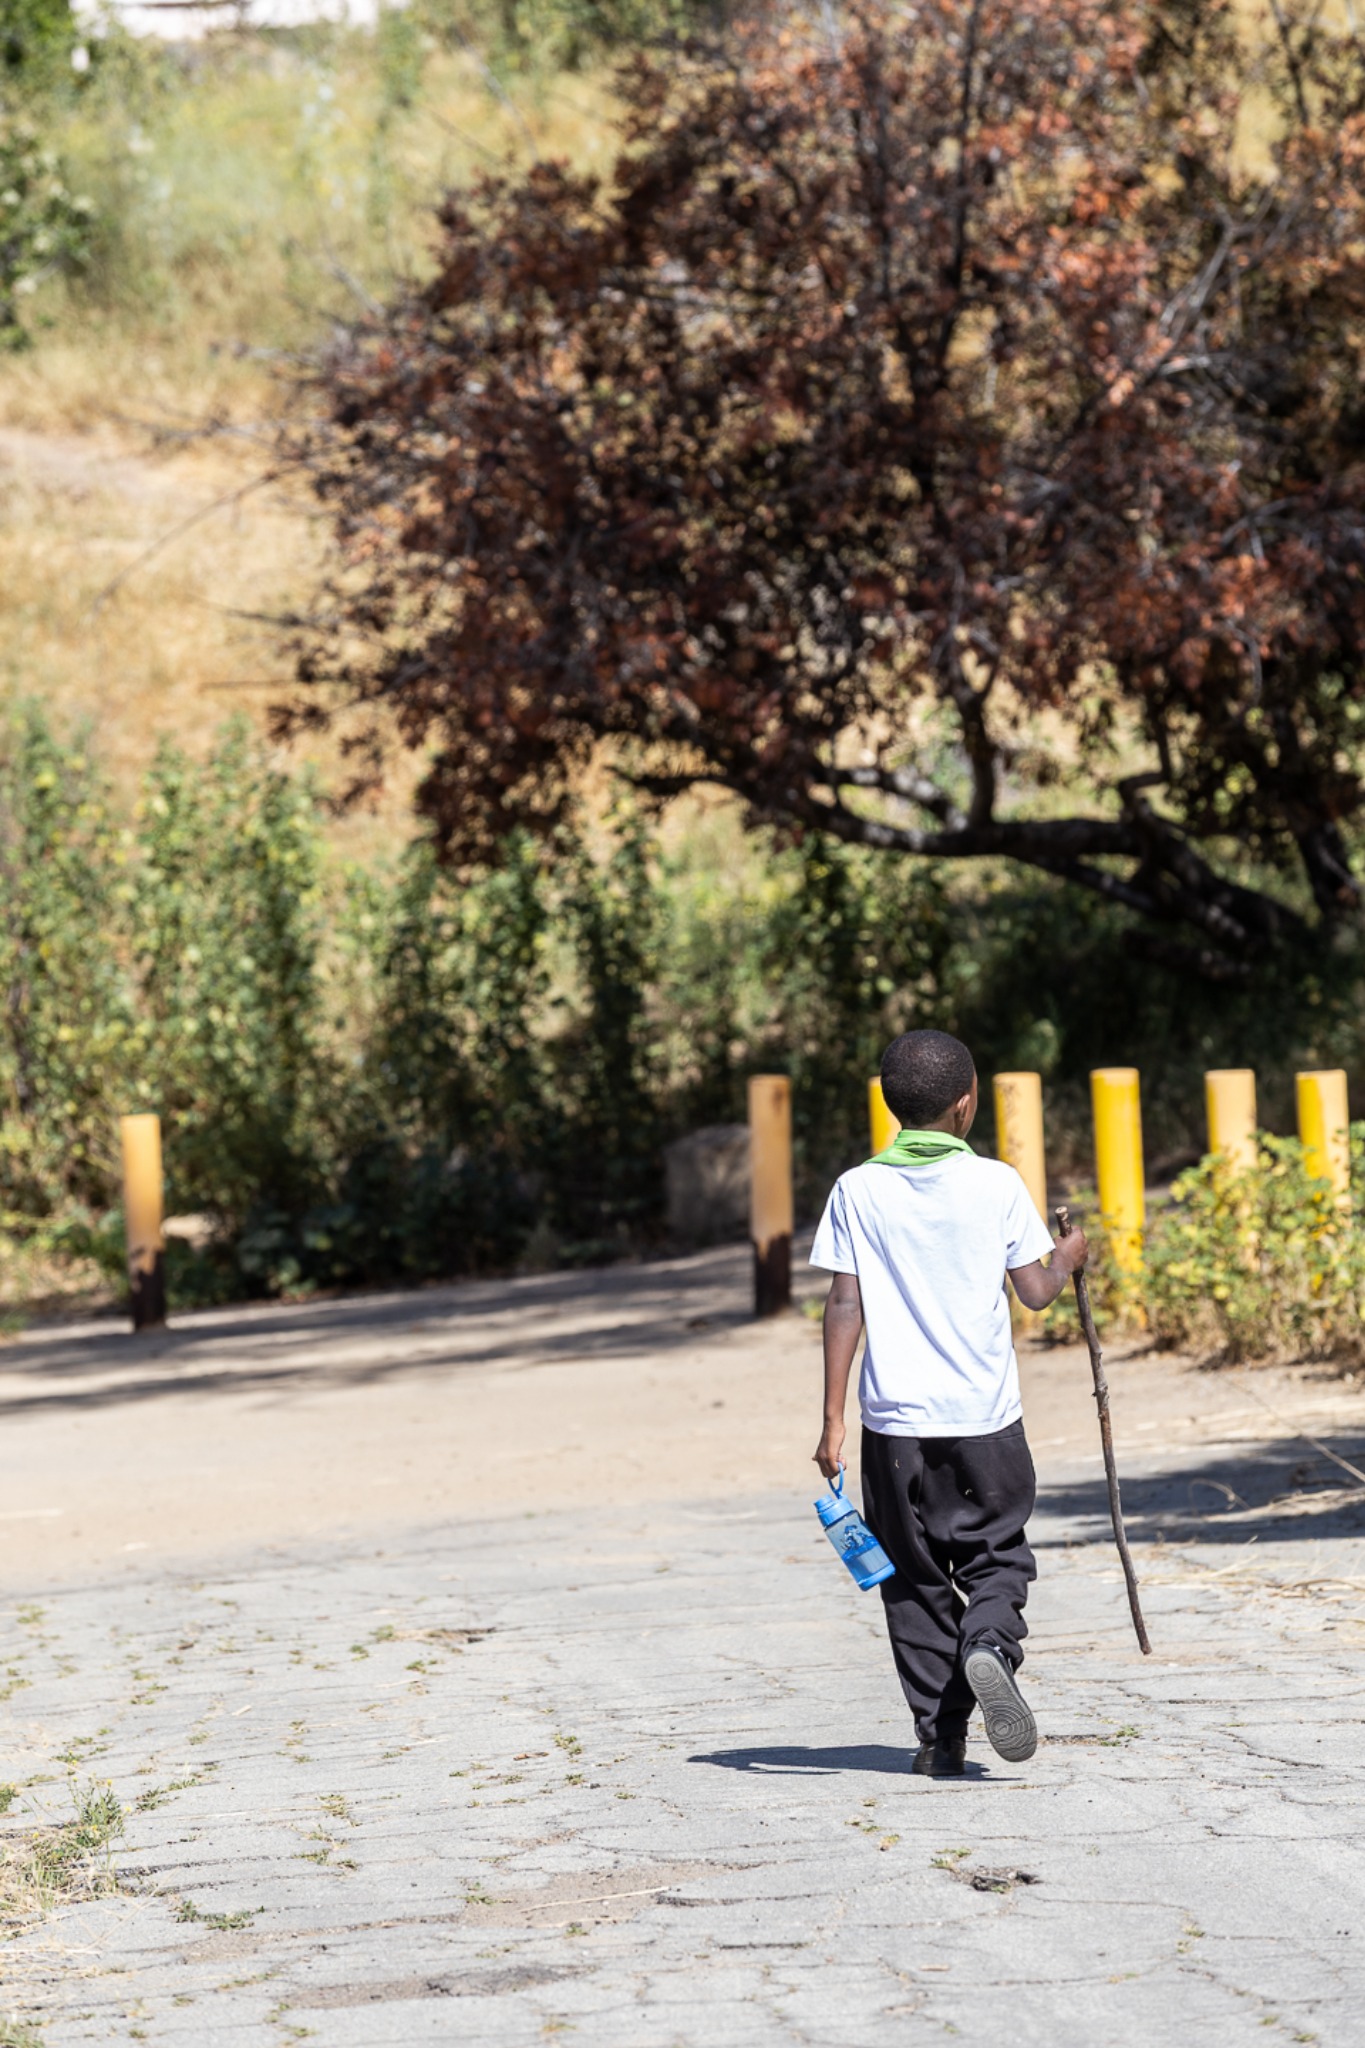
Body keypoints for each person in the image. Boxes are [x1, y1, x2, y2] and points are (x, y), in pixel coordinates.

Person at [810, 1029, 1087, 1778]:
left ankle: (941, 1741)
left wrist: (833, 1421)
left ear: (890, 1104)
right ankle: (989, 1647)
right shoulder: (994, 1184)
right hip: (984, 1422)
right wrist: (1067, 1255)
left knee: (913, 1576)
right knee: (995, 1558)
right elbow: (1033, 1292)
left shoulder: (856, 1189)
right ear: (966, 1102)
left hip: (893, 1426)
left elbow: (843, 1305)